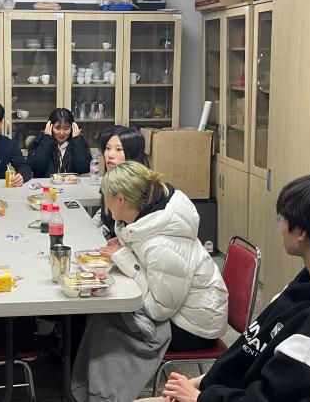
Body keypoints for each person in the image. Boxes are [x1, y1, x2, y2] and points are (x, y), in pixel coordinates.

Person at [157, 174, 310, 402]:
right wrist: (204, 382)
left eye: (281, 219)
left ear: (301, 232)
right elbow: (252, 350)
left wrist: (199, 398)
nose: (280, 227)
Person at [71, 161, 228, 402]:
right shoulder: (149, 219)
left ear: (121, 199)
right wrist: (126, 247)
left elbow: (158, 309)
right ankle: (88, 389)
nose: (104, 201)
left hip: (194, 326)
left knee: (108, 324)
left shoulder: (163, 244)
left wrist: (125, 258)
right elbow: (150, 264)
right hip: (180, 307)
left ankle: (103, 395)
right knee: (102, 315)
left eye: (106, 195)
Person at [94, 126, 149, 239]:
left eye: (118, 149)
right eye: (108, 148)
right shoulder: (111, 179)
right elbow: (107, 215)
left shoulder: (139, 187)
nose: (110, 155)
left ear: (132, 154)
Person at [27, 108, 92, 178]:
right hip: (46, 184)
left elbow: (83, 168)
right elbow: (36, 168)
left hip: (70, 184)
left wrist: (76, 140)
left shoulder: (78, 142)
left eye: (66, 128)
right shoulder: (40, 142)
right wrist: (47, 140)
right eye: (57, 128)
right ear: (50, 126)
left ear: (72, 128)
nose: (62, 133)